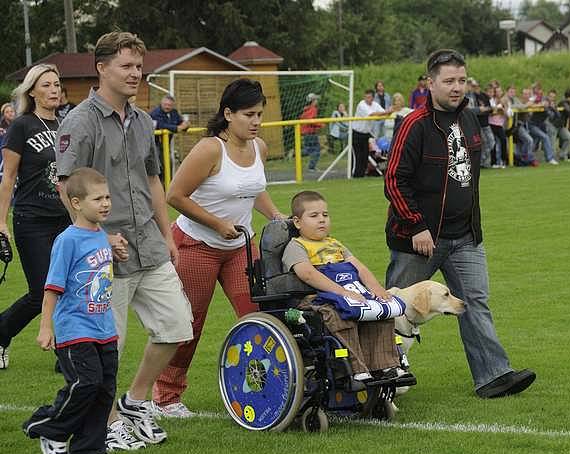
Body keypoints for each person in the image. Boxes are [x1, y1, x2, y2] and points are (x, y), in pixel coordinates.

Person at [55, 31, 193, 451]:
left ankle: (134, 403)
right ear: (102, 68)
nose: (136, 74)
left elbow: (152, 179)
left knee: (176, 326)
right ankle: (109, 421)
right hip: (101, 254)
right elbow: (66, 186)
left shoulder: (144, 119)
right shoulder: (79, 122)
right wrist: (94, 236)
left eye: (139, 66)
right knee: (105, 345)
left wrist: (167, 234)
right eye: (127, 66)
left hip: (148, 244)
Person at [384, 49, 536, 399]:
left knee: (474, 302)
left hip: (465, 237)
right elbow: (394, 181)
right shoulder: (413, 125)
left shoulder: (469, 120)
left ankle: (493, 376)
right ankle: (381, 379)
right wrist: (417, 226)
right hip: (418, 240)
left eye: (461, 80)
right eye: (448, 81)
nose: (456, 87)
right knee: (393, 310)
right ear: (430, 83)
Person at [152, 79, 285, 417]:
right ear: (228, 114)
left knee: (260, 317)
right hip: (197, 245)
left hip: (241, 247)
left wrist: (275, 215)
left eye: (259, 114)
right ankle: (165, 397)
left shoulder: (260, 148)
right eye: (248, 114)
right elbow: (174, 196)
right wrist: (217, 224)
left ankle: (272, 388)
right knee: (188, 324)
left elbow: (252, 189)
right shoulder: (210, 149)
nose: (255, 121)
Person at [23, 167, 118, 454]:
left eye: (107, 197)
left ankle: (88, 452)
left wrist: (117, 251)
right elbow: (51, 288)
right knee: (85, 383)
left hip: (104, 327)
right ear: (76, 203)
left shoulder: (101, 234)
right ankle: (48, 427)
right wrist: (45, 328)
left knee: (105, 390)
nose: (105, 203)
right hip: (75, 329)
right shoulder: (67, 240)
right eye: (97, 199)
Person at [282, 191, 411, 384]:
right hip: (316, 297)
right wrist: (342, 293)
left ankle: (387, 366)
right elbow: (308, 274)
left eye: (325, 215)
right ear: (298, 222)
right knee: (340, 315)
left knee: (380, 312)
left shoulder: (335, 244)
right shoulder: (297, 246)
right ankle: (355, 368)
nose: (322, 220)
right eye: (314, 216)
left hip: (350, 292)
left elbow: (359, 267)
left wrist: (376, 289)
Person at [0, 64, 71, 370]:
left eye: (56, 84)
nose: (54, 89)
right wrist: (1, 223)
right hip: (31, 218)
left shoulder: (67, 124)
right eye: (46, 85)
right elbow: (8, 178)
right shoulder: (22, 125)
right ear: (32, 92)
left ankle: (67, 354)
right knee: (41, 290)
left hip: (65, 219)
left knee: (69, 288)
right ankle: (1, 333)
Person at [351, 89, 393, 178]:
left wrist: (390, 111)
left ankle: (362, 174)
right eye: (366, 97)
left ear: (373, 98)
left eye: (369, 97)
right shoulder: (361, 104)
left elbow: (382, 114)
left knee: (365, 155)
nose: (367, 99)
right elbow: (372, 114)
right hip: (357, 133)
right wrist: (386, 112)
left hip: (366, 134)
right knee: (357, 156)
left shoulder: (375, 105)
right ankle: (355, 175)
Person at [149, 94, 190, 181]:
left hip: (165, 144)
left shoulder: (174, 112)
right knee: (157, 168)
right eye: (165, 105)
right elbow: (161, 125)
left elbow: (181, 122)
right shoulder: (155, 113)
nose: (167, 107)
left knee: (168, 166)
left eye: (170, 105)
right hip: (153, 144)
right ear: (161, 103)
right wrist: (177, 128)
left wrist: (185, 125)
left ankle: (167, 189)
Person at [544, 89, 570, 162]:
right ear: (548, 96)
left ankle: (562, 155)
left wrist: (555, 109)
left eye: (553, 97)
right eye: (550, 96)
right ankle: (550, 159)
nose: (552, 98)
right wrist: (553, 109)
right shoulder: (546, 103)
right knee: (552, 143)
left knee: (569, 138)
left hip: (560, 125)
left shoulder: (556, 103)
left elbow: (559, 114)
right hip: (552, 124)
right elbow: (552, 116)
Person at [299, 93, 323, 171]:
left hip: (306, 133)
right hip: (310, 133)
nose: (317, 101)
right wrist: (320, 125)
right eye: (315, 100)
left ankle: (296, 153)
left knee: (309, 149)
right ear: (312, 101)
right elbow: (311, 121)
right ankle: (311, 167)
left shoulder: (306, 109)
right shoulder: (312, 109)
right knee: (316, 150)